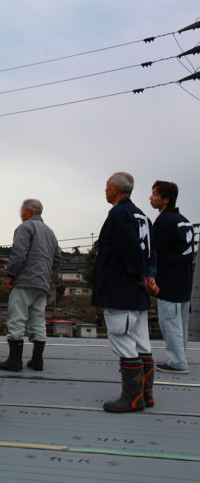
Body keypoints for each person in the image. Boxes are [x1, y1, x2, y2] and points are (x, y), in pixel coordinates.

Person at [92, 172, 154, 412]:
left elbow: (130, 250)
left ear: (116, 188)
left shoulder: (119, 214)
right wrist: (149, 277)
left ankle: (133, 398)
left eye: (107, 186)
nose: (105, 190)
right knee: (141, 342)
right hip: (138, 292)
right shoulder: (142, 215)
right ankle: (146, 395)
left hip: (121, 287)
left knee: (122, 338)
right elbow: (150, 250)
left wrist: (140, 276)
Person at [0, 199, 61, 372]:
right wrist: (45, 270)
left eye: (22, 210)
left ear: (30, 211)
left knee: (17, 318)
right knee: (38, 320)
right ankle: (37, 361)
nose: (20, 213)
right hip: (42, 283)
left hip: (25, 280)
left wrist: (10, 275)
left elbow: (18, 254)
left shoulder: (25, 228)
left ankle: (15, 361)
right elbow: (57, 259)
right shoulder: (50, 232)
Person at [146, 181, 195, 374]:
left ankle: (177, 362)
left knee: (169, 322)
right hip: (184, 280)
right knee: (180, 323)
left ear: (166, 199)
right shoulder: (184, 220)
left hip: (169, 280)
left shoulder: (165, 221)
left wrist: (149, 274)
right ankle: (180, 355)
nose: (151, 198)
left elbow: (156, 250)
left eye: (155, 194)